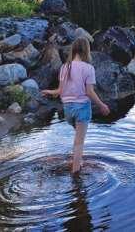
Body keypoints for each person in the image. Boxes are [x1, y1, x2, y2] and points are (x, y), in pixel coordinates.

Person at [41, 37, 110, 173]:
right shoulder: (89, 68)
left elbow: (60, 91)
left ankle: (77, 161)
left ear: (73, 50)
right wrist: (102, 105)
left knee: (78, 138)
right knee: (79, 143)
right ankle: (76, 173)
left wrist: (49, 91)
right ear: (87, 50)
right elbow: (89, 92)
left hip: (68, 110)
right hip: (82, 109)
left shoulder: (65, 67)